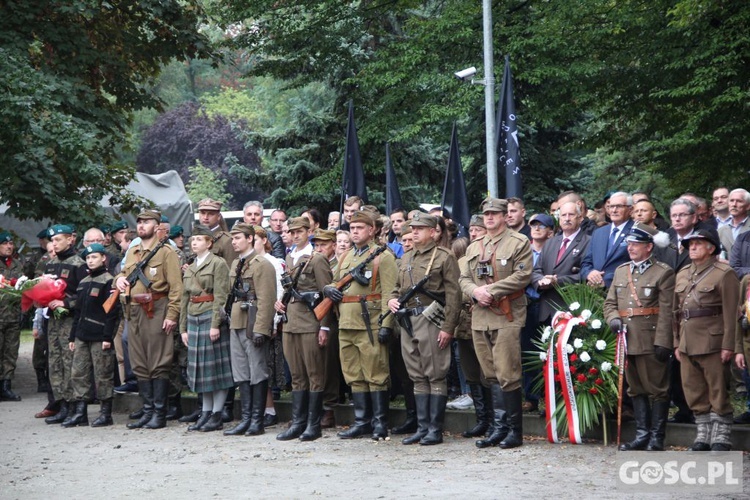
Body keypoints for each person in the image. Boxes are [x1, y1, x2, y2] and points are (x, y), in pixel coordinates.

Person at [459, 197, 532, 450]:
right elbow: (463, 278)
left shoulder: (518, 242)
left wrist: (491, 289)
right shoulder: (474, 246)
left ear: (504, 216)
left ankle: (514, 431)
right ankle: (498, 428)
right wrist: (475, 292)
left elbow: (523, 275)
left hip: (507, 314)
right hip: (480, 315)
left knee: (507, 373)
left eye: (494, 213)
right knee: (489, 373)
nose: (489, 217)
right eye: (486, 213)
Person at [388, 213, 460, 445]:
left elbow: (454, 295)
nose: (415, 232)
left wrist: (448, 327)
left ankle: (435, 429)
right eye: (413, 228)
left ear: (433, 232)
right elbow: (397, 288)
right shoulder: (406, 257)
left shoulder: (443, 257)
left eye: (420, 228)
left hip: (430, 319)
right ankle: (422, 427)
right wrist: (392, 299)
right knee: (417, 375)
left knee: (435, 374)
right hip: (408, 320)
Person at [324, 211, 398, 440]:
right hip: (346, 322)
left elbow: (389, 292)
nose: (354, 231)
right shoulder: (346, 257)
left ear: (372, 230)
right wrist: (328, 288)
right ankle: (361, 421)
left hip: (370, 322)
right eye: (352, 227)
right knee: (354, 373)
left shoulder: (382, 257)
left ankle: (379, 424)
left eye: (359, 227)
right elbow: (335, 281)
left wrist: (387, 323)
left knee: (375, 373)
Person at [603, 224, 675, 451]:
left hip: (650, 339)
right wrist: (613, 318)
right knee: (635, 389)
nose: (630, 247)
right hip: (627, 340)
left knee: (657, 389)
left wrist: (664, 341)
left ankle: (656, 437)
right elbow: (609, 303)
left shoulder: (663, 272)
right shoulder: (621, 271)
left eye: (636, 244)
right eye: (629, 243)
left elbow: (667, 311)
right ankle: (642, 435)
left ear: (649, 247)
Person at [116, 210, 183, 430]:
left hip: (157, 308)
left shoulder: (166, 253)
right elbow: (123, 273)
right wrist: (118, 280)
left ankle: (159, 413)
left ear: (157, 226)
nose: (142, 225)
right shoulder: (133, 250)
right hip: (133, 309)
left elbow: (176, 288)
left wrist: (172, 315)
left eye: (147, 222)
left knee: (159, 361)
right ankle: (147, 410)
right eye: (140, 222)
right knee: (139, 363)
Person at [673, 228, 739, 451]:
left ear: (711, 248)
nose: (692, 247)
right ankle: (702, 434)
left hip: (713, 341)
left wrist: (729, 344)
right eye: (690, 244)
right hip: (687, 341)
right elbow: (676, 312)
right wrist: (676, 342)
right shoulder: (682, 274)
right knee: (693, 389)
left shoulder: (724, 273)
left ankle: (721, 436)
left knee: (717, 389)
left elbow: (732, 313)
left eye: (698, 244)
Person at [275, 217, 333, 442]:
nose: (295, 235)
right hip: (291, 323)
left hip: (310, 323)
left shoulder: (317, 259)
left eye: (299, 231)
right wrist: (280, 302)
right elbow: (288, 289)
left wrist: (324, 326)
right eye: (292, 231)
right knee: (297, 376)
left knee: (314, 375)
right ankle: (298, 422)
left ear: (308, 231)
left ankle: (313, 424)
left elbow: (327, 295)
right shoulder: (290, 257)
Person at [221, 224, 277, 436]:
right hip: (236, 321)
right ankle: (246, 418)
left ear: (251, 238)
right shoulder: (236, 263)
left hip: (252, 323)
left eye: (237, 238)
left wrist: (262, 329)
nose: (233, 241)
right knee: (241, 373)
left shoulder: (262, 264)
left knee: (257, 371)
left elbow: (266, 298)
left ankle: (257, 419)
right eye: (233, 238)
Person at [179, 225, 232, 432]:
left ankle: (217, 414)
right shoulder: (190, 266)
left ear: (209, 243)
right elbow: (184, 298)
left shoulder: (218, 263)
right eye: (193, 240)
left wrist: (215, 324)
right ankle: (206, 413)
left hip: (210, 315)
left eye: (200, 239)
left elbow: (221, 295)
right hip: (193, 317)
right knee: (202, 371)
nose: (194, 243)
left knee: (216, 372)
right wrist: (183, 328)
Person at [65, 243, 120, 427]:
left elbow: (112, 313)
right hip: (82, 335)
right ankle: (81, 413)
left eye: (94, 257)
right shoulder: (83, 283)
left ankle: (106, 413)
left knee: (103, 374)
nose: (90, 260)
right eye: (88, 258)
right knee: (78, 373)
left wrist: (107, 337)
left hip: (99, 336)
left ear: (103, 258)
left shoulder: (109, 281)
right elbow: (78, 313)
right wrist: (72, 337)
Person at [41, 225, 88, 424]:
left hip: (70, 320)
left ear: (70, 239)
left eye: (59, 239)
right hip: (53, 320)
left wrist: (66, 303)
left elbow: (85, 295)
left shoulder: (79, 264)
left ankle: (76, 404)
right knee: (55, 362)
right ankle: (61, 404)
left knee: (71, 362)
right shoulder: (50, 264)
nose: (55, 244)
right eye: (52, 241)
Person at [533, 202, 591, 326]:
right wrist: (541, 281)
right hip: (546, 310)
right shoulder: (550, 243)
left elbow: (587, 274)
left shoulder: (589, 242)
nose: (567, 218)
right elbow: (536, 270)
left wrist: (557, 281)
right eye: (563, 215)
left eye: (571, 215)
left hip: (573, 310)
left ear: (580, 218)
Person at [521, 212, 556, 412]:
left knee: (549, 352)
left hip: (549, 304)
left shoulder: (554, 251)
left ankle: (548, 397)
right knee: (528, 351)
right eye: (533, 225)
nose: (536, 229)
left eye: (541, 226)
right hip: (527, 304)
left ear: (550, 232)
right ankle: (531, 397)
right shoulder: (524, 251)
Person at [312, 229, 341, 428]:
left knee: (330, 366)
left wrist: (325, 327)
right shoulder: (313, 262)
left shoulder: (338, 265)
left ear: (333, 245)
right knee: (316, 365)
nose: (320, 248)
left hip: (332, 321)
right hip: (313, 318)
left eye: (324, 244)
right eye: (317, 245)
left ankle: (329, 408)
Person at [581, 191, 635, 289]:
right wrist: (590, 273)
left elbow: (637, 266)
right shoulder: (599, 232)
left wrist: (606, 282)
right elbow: (586, 262)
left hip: (623, 292)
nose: (614, 210)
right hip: (595, 293)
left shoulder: (637, 231)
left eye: (619, 206)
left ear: (630, 209)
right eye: (611, 206)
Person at [0, 232, 25, 401]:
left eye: (11, 244)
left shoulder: (17, 264)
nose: (9, 246)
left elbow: (23, 288)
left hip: (13, 316)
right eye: (5, 244)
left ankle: (6, 386)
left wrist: (23, 310)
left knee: (11, 352)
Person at [719, 188, 750, 256]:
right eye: (731, 201)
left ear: (748, 206)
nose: (734, 204)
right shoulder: (721, 231)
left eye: (739, 201)